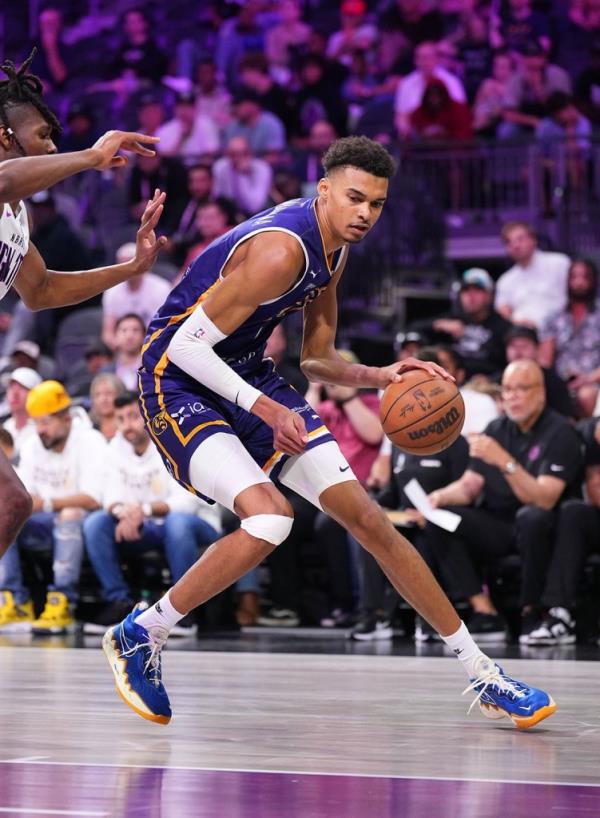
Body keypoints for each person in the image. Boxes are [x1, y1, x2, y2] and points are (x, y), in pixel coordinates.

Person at [103, 136, 556, 728]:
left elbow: (317, 357)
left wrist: (381, 375)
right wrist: (266, 410)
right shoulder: (280, 253)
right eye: (355, 198)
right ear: (323, 192)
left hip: (243, 374)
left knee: (370, 521)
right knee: (270, 518)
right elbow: (186, 347)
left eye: (377, 203)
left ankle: (484, 674)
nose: (365, 213)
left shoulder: (334, 251)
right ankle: (142, 632)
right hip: (175, 380)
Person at [0, 51, 166, 559]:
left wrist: (132, 271)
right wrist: (92, 157)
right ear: (5, 137)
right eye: (43, 136)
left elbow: (42, 290)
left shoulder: (15, 215)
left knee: (11, 503)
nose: (51, 146)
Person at [424, 360, 582, 644]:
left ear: (541, 392)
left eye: (521, 389)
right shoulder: (496, 428)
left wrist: (504, 461)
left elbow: (544, 499)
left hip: (544, 528)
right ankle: (483, 611)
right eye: (507, 390)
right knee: (441, 520)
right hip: (498, 524)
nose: (512, 396)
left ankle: (532, 612)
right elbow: (471, 485)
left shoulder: (561, 432)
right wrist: (440, 497)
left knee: (531, 517)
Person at [83, 392, 220, 636]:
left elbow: (187, 501)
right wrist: (121, 511)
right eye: (121, 419)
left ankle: (182, 611)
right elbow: (109, 495)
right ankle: (120, 603)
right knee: (95, 523)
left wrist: (142, 509)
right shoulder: (115, 448)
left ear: (147, 414)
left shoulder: (172, 440)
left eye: (133, 416)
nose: (127, 425)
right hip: (145, 526)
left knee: (176, 524)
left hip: (197, 523)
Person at [0, 381, 107, 634]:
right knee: (4, 514)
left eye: (46, 422)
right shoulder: (31, 445)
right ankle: (13, 599)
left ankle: (62, 600)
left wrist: (48, 503)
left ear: (67, 418)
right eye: (37, 423)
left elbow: (94, 498)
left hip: (82, 523)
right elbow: (24, 494)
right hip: (41, 523)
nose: (40, 430)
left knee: (69, 515)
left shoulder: (91, 440)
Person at [539, 258, 600, 417]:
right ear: (567, 281)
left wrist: (588, 378)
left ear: (593, 281)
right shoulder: (554, 316)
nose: (579, 282)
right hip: (561, 383)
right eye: (574, 277)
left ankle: (585, 439)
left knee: (585, 396)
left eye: (585, 277)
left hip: (593, 380)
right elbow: (545, 360)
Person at [495, 221, 571, 328]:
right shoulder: (505, 280)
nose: (515, 245)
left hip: (560, 330)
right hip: (523, 334)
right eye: (509, 242)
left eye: (520, 239)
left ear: (533, 240)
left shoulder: (559, 263)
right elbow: (503, 314)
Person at [102, 242, 171, 349]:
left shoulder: (161, 288)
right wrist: (118, 345)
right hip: (123, 346)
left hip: (153, 345)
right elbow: (108, 332)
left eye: (131, 263)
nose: (127, 269)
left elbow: (164, 327)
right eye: (123, 264)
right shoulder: (112, 291)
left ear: (141, 264)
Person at [2, 366, 42, 457]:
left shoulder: (42, 430)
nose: (15, 393)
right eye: (11, 387)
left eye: (22, 388)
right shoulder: (6, 426)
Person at [88, 372, 126, 441]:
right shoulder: (88, 428)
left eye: (109, 393)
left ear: (120, 395)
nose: (103, 399)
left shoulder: (128, 427)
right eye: (97, 395)